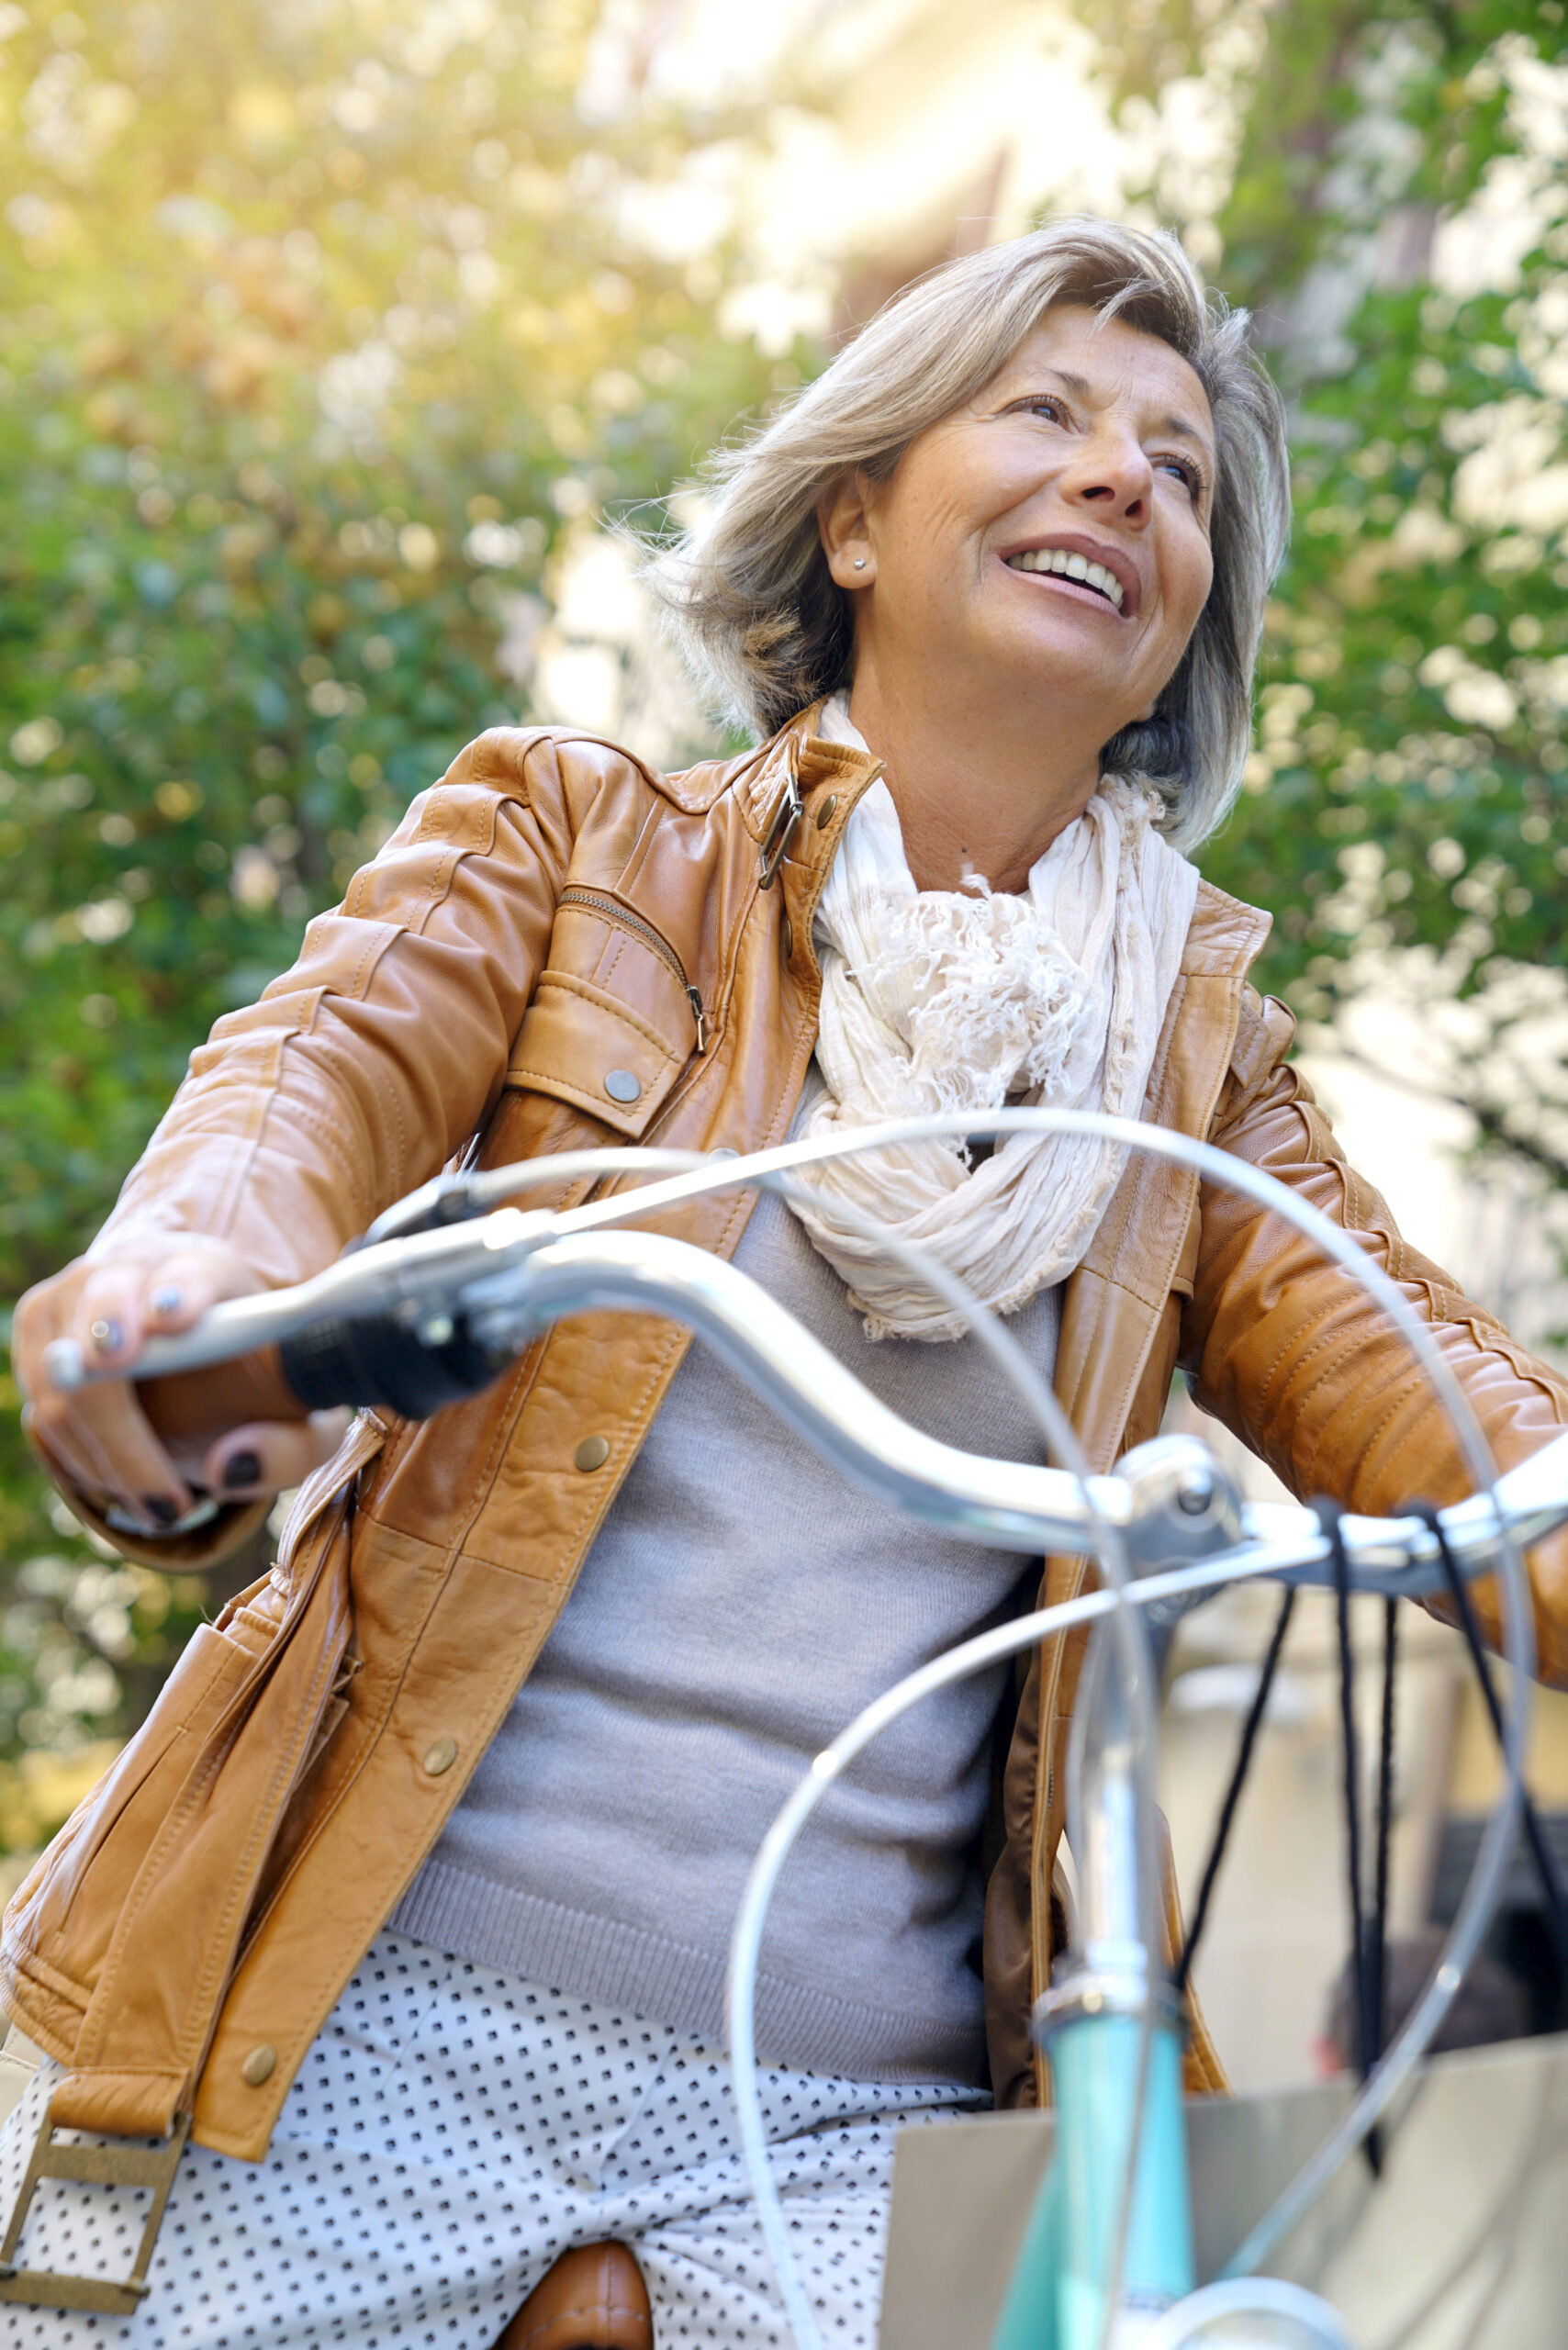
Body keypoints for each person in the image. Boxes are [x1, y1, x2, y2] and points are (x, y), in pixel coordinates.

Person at [6, 217, 1568, 2349]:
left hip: (854, 2115)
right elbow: (306, 1089)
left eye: (1177, 469)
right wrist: (199, 1277)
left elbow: (1431, 1384)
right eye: (1043, 414)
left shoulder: (1197, 1070)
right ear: (851, 515)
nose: (1122, 477)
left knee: (1285, 2311)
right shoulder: (578, 845)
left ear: (1175, 629)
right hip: (340, 2017)